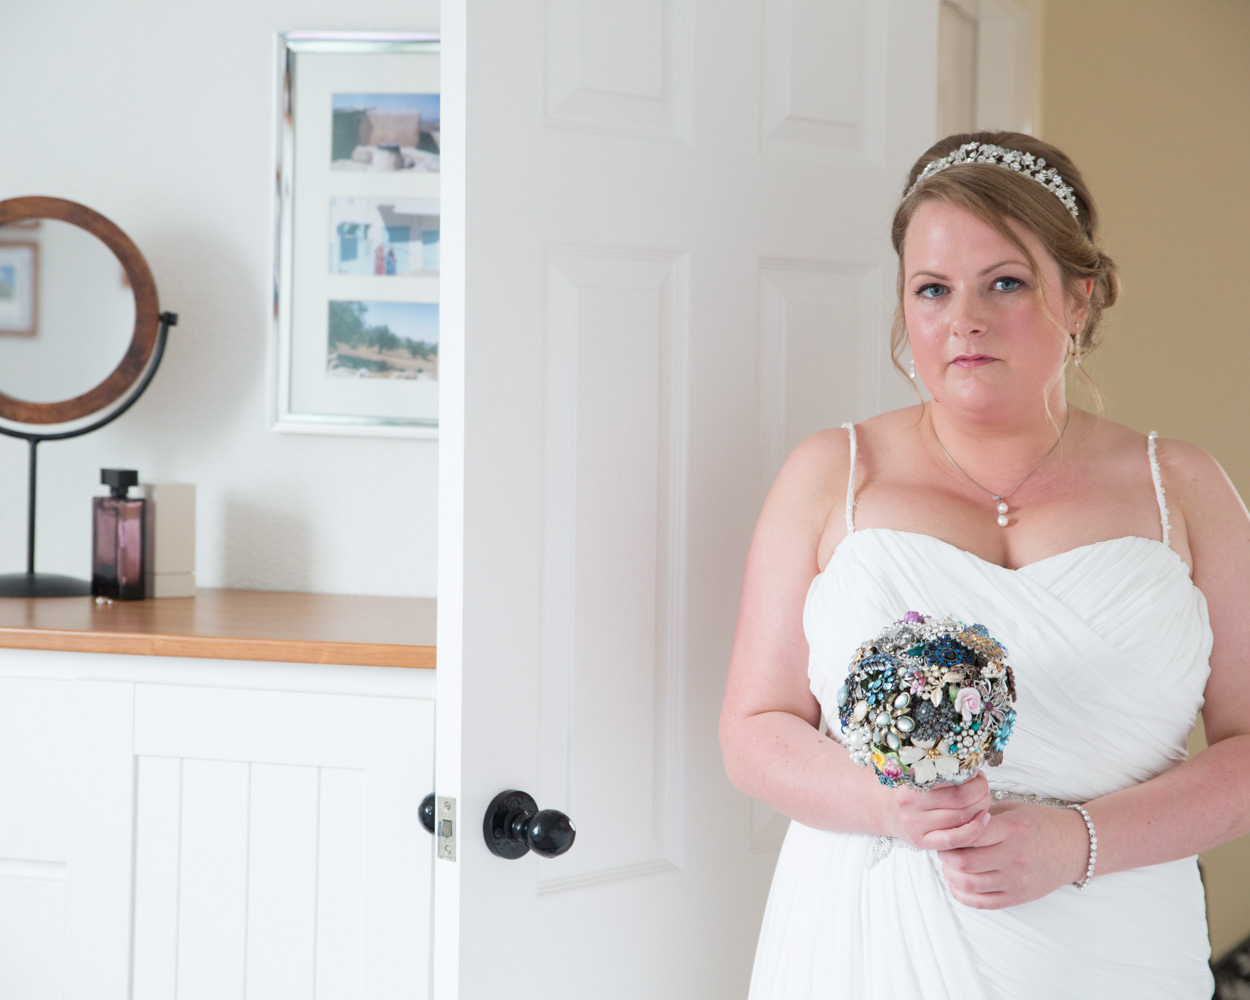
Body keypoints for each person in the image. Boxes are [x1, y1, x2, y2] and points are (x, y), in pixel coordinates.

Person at [719, 130, 1250, 999]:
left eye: (1004, 282)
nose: (962, 319)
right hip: (871, 943)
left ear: (1080, 299)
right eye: (932, 290)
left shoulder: (1182, 487)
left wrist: (1078, 842)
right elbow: (754, 727)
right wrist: (892, 808)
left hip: (1112, 943)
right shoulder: (832, 474)